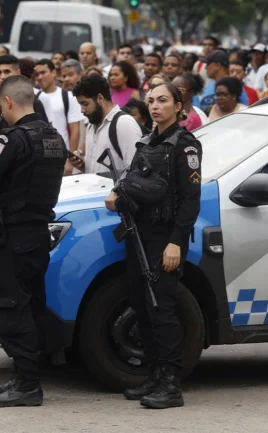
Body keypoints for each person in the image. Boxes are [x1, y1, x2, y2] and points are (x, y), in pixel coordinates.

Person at [0, 75, 67, 407]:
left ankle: (27, 384)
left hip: (11, 236)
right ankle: (26, 375)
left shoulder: (10, 140)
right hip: (37, 234)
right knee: (31, 305)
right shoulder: (53, 137)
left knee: (12, 308)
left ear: (8, 102)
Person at [105, 82, 201, 409]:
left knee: (162, 307)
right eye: (151, 101)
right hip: (138, 234)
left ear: (178, 105)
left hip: (164, 237)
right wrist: (117, 194)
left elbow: (190, 202)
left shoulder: (184, 145)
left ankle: (171, 384)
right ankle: (155, 376)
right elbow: (131, 177)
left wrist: (175, 243)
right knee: (141, 305)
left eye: (162, 100)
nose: (155, 106)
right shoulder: (147, 141)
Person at [71, 74, 143, 175]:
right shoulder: (92, 125)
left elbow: (135, 170)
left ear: (100, 98)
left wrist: (116, 190)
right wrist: (83, 166)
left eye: (85, 104)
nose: (82, 110)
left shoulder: (124, 123)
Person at [34, 60, 83, 170]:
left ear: (53, 73)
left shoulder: (68, 96)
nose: (40, 77)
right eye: (36, 74)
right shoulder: (33, 97)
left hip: (62, 156)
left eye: (43, 72)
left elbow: (75, 130)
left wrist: (70, 162)